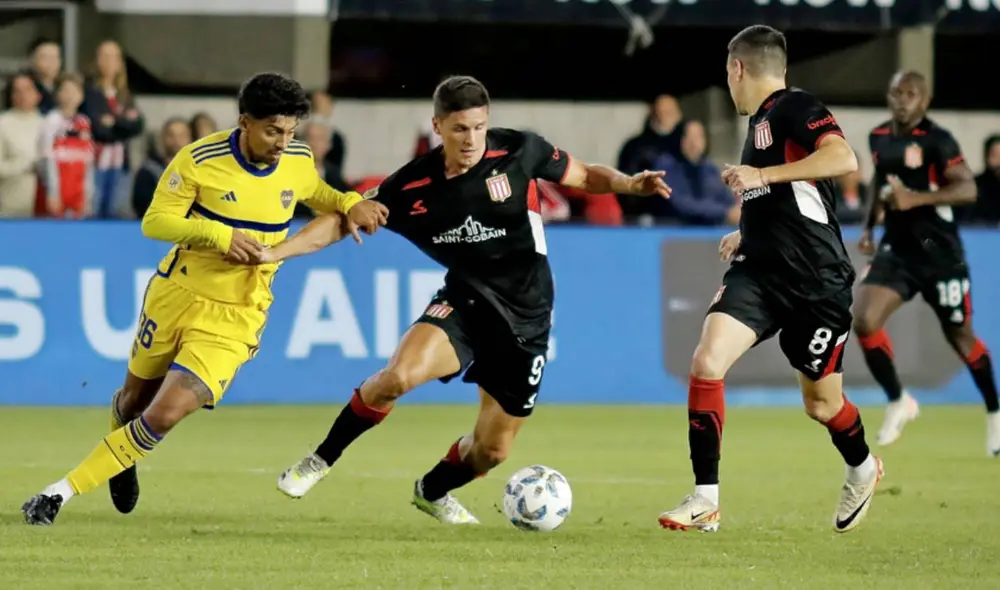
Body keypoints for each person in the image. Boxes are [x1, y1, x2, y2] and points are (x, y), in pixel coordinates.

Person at [264, 75, 670, 524]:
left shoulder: (519, 151)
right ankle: (320, 459)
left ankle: (432, 491)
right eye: (460, 129)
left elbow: (586, 175)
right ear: (437, 127)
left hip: (527, 319)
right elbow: (345, 220)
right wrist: (277, 252)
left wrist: (629, 185)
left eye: (479, 127)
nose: (472, 139)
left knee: (491, 452)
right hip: (465, 304)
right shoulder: (413, 186)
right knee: (397, 377)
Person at [20, 72, 389, 526]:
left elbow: (316, 192)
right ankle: (121, 454)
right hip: (177, 294)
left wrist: (349, 201)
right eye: (273, 131)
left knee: (166, 413)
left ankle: (57, 493)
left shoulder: (296, 157)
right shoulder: (199, 159)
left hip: (237, 313)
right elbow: (155, 222)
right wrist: (218, 234)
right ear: (244, 122)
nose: (282, 142)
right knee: (133, 403)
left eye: (290, 132)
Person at [657, 25, 882, 535]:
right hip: (760, 273)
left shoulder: (795, 107)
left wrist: (760, 176)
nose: (728, 84)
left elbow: (842, 158)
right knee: (707, 361)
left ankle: (864, 466)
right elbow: (790, 199)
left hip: (817, 283)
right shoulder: (760, 122)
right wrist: (748, 230)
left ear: (737, 68)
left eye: (727, 74)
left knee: (821, 404)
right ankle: (705, 499)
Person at [853, 71, 997, 454]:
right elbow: (880, 180)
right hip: (897, 249)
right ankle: (898, 400)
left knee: (961, 337)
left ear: (925, 100)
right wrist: (869, 226)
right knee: (864, 319)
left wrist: (915, 199)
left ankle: (995, 413)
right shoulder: (879, 137)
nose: (901, 100)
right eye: (895, 92)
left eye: (910, 94)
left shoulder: (938, 140)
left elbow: (968, 188)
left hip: (940, 255)